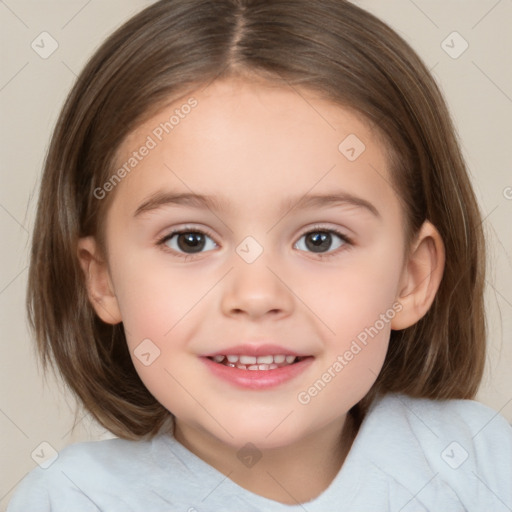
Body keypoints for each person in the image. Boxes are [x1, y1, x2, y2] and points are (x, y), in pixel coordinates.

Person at [8, 0, 512, 510]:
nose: (256, 295)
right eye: (190, 240)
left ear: (411, 278)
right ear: (104, 281)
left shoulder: (476, 465)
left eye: (320, 239)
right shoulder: (70, 500)